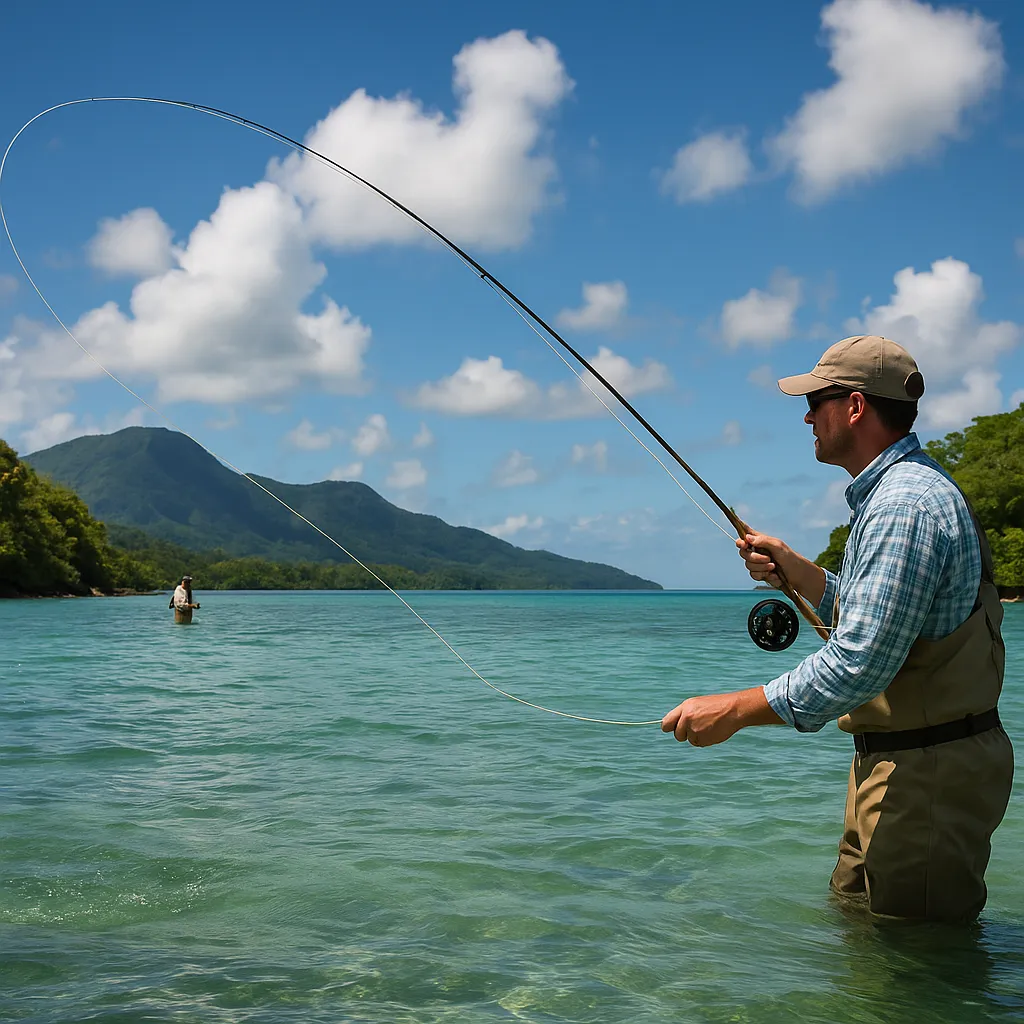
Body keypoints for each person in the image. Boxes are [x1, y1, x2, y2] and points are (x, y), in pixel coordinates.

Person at [661, 335, 1013, 923]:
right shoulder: (898, 497)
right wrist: (803, 574)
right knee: (863, 936)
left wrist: (735, 709)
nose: (807, 415)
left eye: (817, 401)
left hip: (926, 775)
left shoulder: (905, 507)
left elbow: (861, 662)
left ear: (854, 407)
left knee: (916, 969)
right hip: (901, 762)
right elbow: (895, 618)